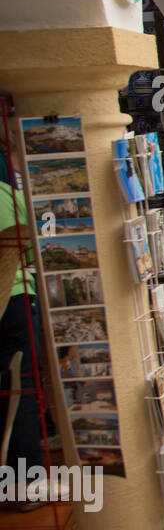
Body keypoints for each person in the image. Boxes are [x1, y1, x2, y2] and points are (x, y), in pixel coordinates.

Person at [0, 169, 61, 507]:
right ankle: (27, 482)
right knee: (21, 386)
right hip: (13, 299)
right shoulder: (9, 195)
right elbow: (38, 242)